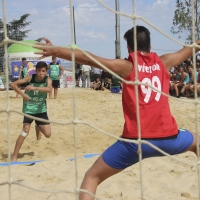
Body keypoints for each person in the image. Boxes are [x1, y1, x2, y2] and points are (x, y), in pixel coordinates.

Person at [34, 26, 199, 200]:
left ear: (129, 48)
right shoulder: (164, 61)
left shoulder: (128, 65)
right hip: (169, 139)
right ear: (150, 47)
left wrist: (56, 51)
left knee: (92, 177)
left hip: (135, 143)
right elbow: (189, 50)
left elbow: (89, 59)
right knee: (197, 141)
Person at [10, 61, 52, 162]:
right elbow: (13, 84)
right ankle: (14, 156)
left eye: (43, 71)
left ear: (46, 72)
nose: (41, 73)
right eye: (39, 71)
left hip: (41, 110)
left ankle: (38, 127)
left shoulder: (48, 79)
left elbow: (49, 90)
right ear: (36, 71)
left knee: (48, 134)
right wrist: (23, 95)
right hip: (29, 109)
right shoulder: (30, 77)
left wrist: (34, 87)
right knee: (25, 131)